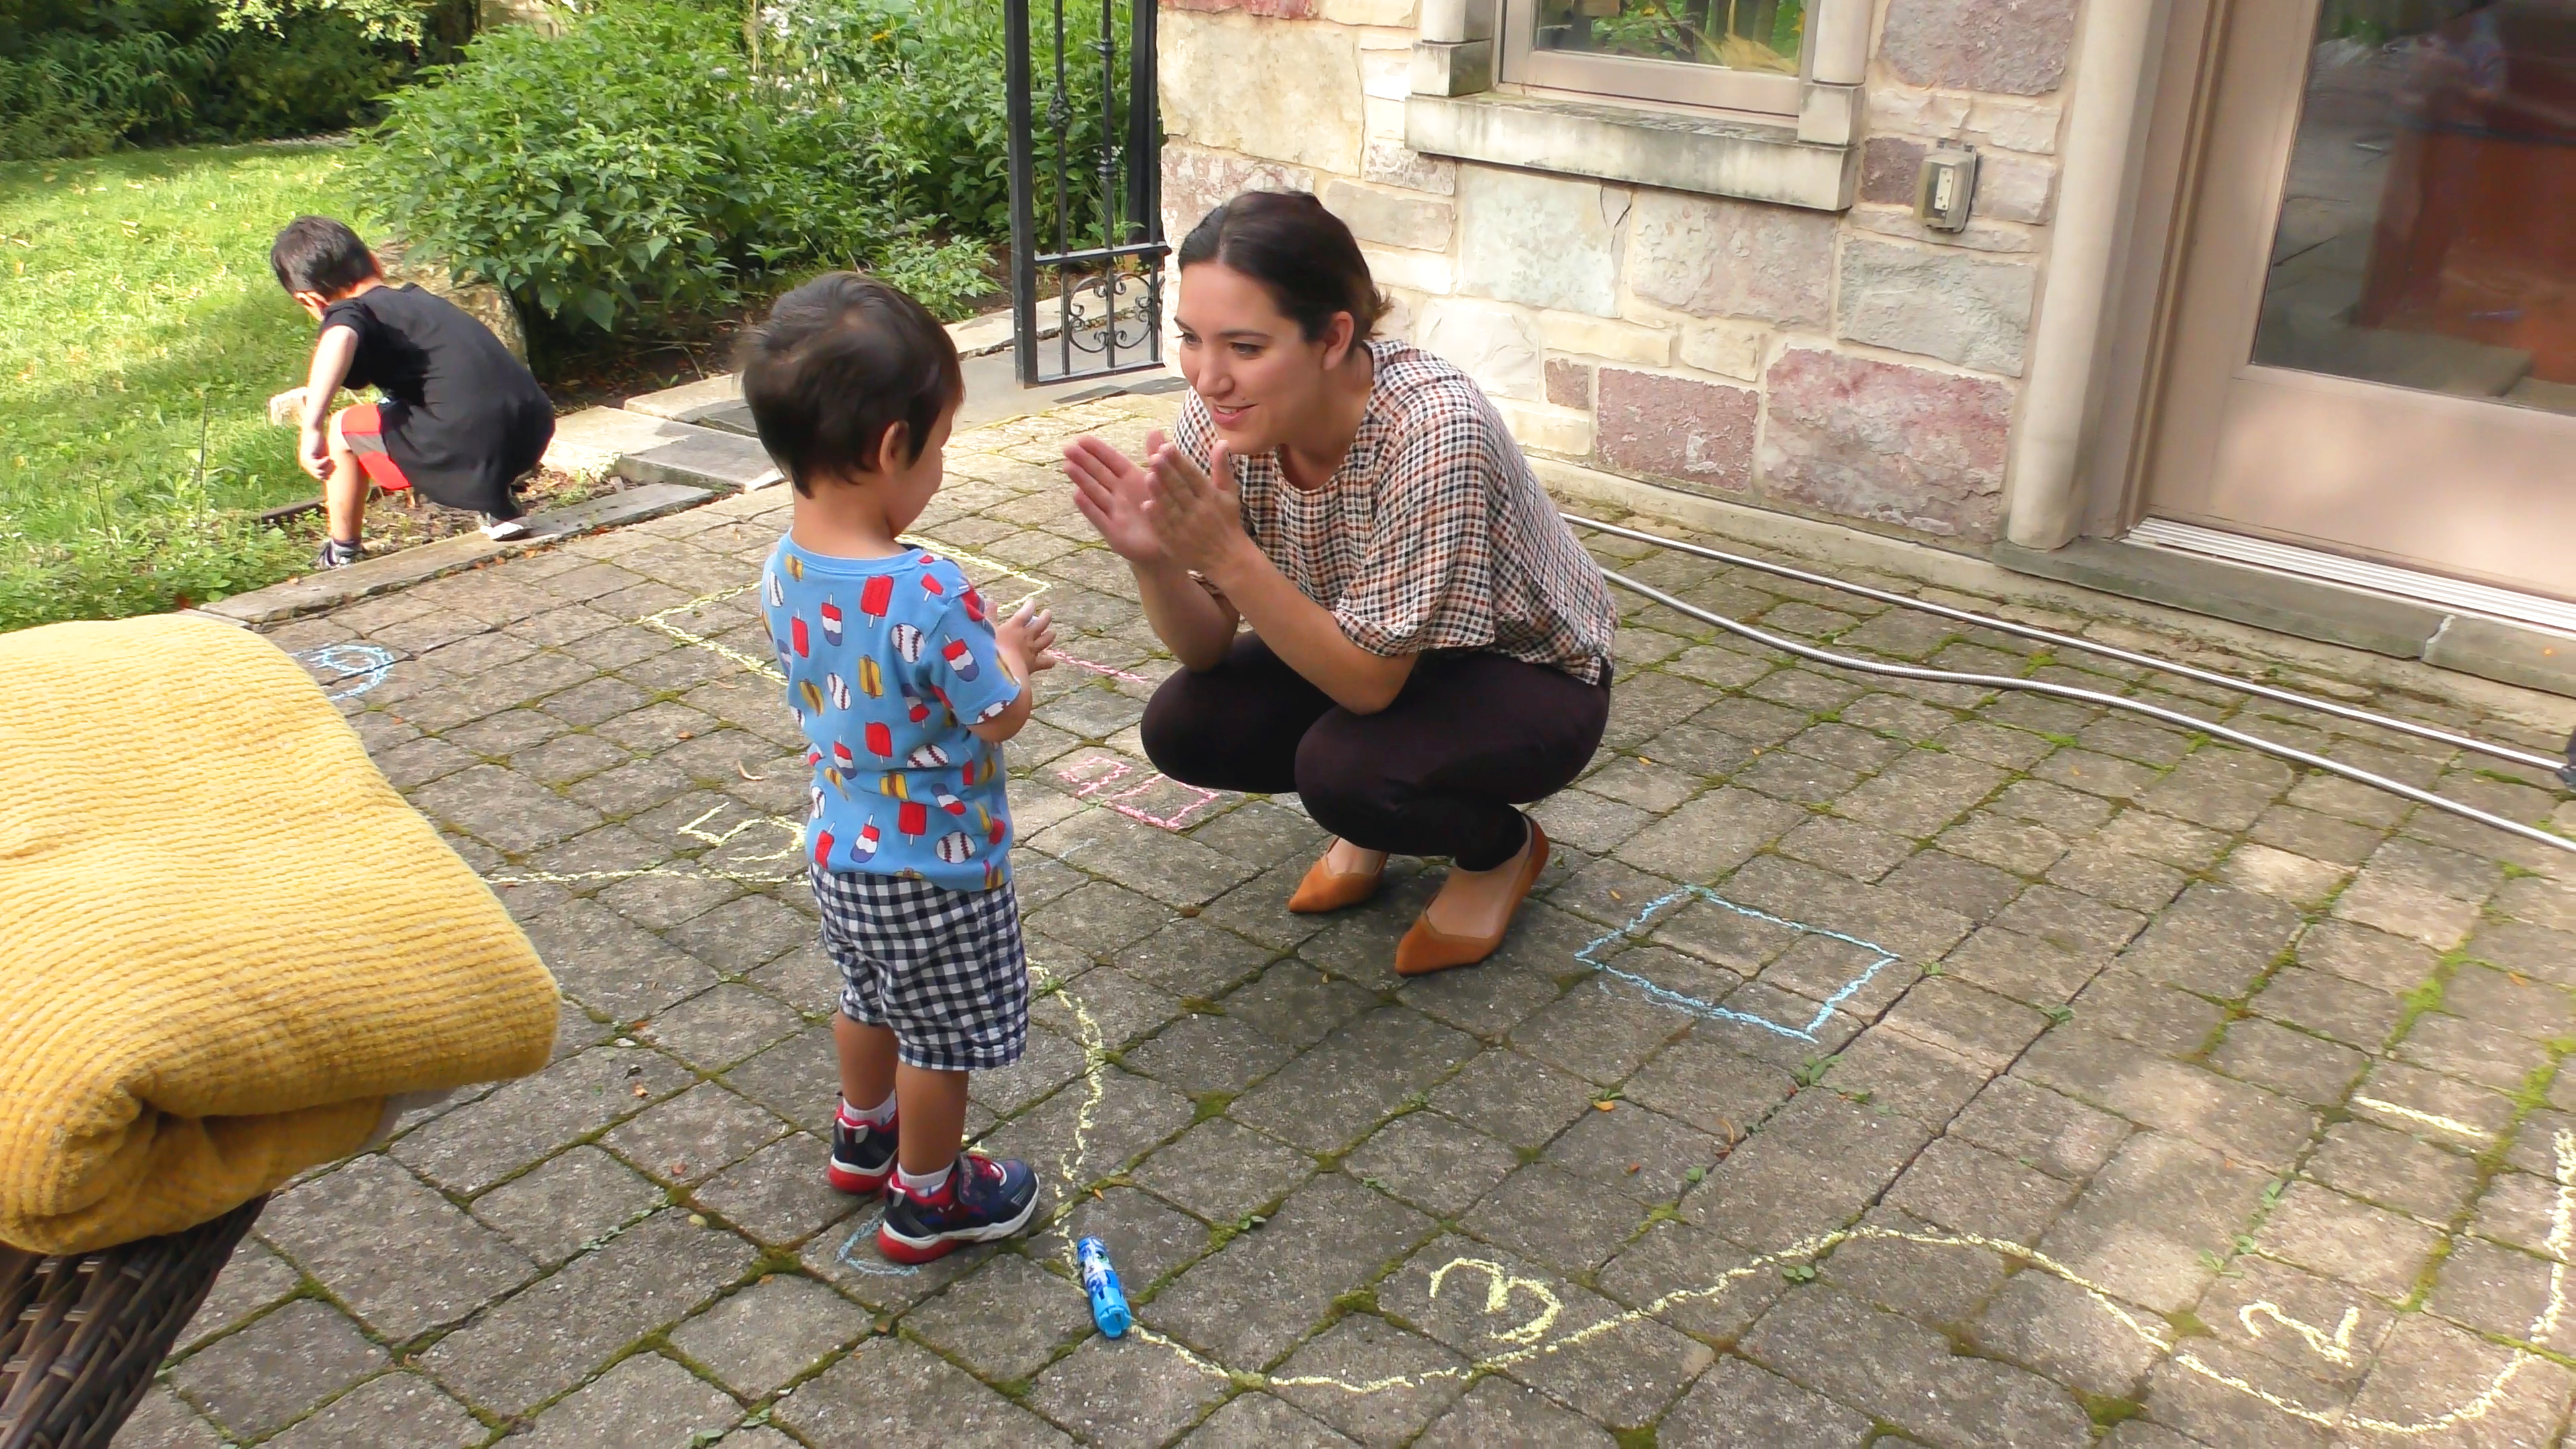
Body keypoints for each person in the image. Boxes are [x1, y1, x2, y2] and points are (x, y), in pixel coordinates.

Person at [1063, 191, 1617, 977]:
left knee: (1346, 771)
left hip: (1527, 672)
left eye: (1245, 347)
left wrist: (1227, 556)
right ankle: (1380, 814)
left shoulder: (1430, 427)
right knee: (1186, 723)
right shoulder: (1224, 416)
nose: (1210, 378)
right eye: (1191, 339)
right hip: (1375, 646)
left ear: (1333, 337)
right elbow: (1206, 644)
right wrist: (1153, 558)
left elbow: (1367, 689)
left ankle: (1499, 849)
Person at [742, 271, 1058, 1263]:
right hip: (940, 868)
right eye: (942, 445)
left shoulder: (783, 564)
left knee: (866, 998)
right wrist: (1010, 654)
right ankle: (930, 1197)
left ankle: (861, 1134)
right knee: (941, 1039)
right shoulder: (927, 587)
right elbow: (998, 714)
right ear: (891, 448)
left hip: (841, 851)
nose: (941, 468)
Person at [268, 216, 554, 569]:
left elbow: (340, 336)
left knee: (343, 428)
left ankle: (342, 551)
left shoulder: (350, 312)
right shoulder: (422, 302)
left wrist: (311, 427)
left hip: (470, 437)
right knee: (435, 403)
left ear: (309, 300)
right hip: (534, 425)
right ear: (374, 261)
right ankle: (496, 508)